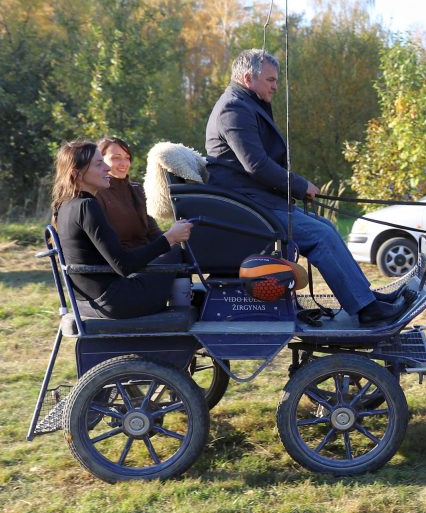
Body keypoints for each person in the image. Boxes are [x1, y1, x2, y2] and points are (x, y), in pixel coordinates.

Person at [205, 49, 405, 324]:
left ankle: (365, 298)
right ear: (249, 77)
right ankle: (366, 310)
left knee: (326, 228)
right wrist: (299, 186)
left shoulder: (244, 102)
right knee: (319, 236)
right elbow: (256, 165)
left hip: (256, 202)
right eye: (271, 80)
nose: (276, 86)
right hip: (247, 207)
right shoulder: (233, 108)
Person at [51, 141, 193, 319]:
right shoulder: (87, 206)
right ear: (76, 174)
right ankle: (182, 319)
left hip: (85, 303)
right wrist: (170, 238)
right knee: (175, 252)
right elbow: (123, 265)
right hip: (116, 302)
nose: (106, 168)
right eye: (98, 164)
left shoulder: (65, 205)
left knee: (169, 254)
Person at [95, 135, 162, 249]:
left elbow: (154, 233)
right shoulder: (95, 193)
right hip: (124, 261)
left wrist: (176, 238)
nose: (124, 163)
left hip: (150, 254)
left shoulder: (138, 189)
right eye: (116, 158)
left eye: (127, 157)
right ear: (100, 160)